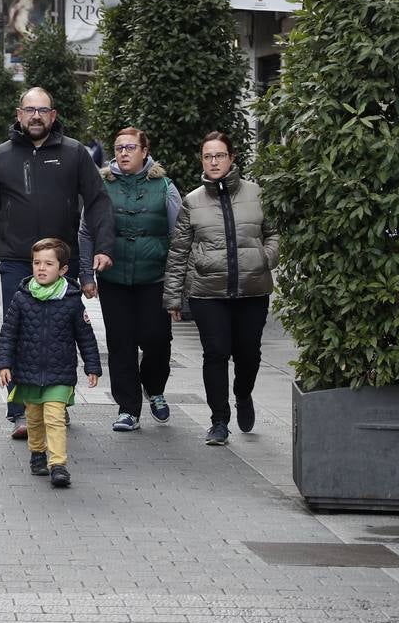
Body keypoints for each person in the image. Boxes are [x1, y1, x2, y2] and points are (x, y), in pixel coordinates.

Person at [0, 87, 114, 440]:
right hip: (17, 262)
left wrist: (104, 245)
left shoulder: (75, 153)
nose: (36, 116)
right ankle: (21, 411)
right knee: (20, 333)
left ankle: (56, 404)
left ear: (54, 115)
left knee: (60, 336)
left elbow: (97, 200)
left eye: (43, 110)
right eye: (29, 110)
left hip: (63, 263)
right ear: (19, 114)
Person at [164, 131, 278, 446]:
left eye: (219, 155)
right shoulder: (192, 201)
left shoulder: (257, 194)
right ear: (202, 161)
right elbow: (179, 251)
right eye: (208, 156)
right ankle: (219, 421)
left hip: (252, 290)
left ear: (231, 158)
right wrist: (174, 296)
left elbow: (275, 232)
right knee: (215, 354)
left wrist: (265, 257)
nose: (213, 162)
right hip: (207, 292)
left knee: (249, 355)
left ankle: (243, 394)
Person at [80, 128, 182, 432]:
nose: (123, 153)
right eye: (119, 148)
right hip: (115, 279)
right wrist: (87, 274)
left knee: (157, 340)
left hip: (155, 278)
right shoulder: (101, 186)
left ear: (145, 151)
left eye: (130, 147)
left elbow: (179, 237)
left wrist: (179, 286)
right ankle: (128, 408)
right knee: (120, 343)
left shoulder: (165, 187)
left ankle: (154, 387)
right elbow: (86, 232)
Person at [0, 238, 102, 487]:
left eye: (48, 264)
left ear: (63, 269)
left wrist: (92, 365)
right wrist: (4, 364)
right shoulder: (22, 297)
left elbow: (85, 335)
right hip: (28, 372)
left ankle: (58, 465)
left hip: (60, 372)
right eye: (37, 263)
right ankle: (37, 453)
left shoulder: (72, 299)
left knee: (54, 417)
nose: (41, 268)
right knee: (34, 419)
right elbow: (8, 333)